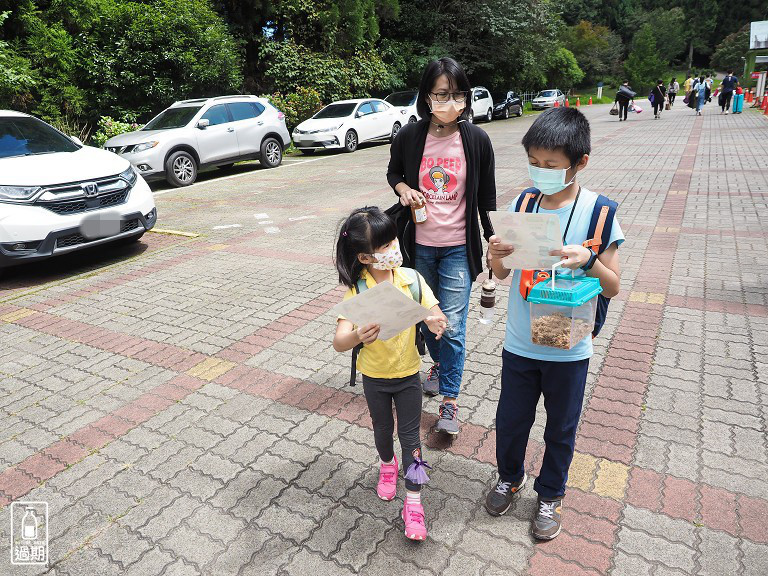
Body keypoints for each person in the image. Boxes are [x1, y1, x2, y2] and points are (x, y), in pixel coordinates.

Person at [484, 107, 624, 540]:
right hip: (521, 342)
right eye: (534, 163)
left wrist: (590, 262)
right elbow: (504, 273)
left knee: (560, 427)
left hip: (569, 346)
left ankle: (551, 494)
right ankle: (509, 477)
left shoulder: (599, 213)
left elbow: (614, 287)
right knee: (510, 420)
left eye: (551, 165)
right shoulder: (523, 204)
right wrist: (495, 256)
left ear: (579, 162)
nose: (540, 172)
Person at [386, 57, 497, 436]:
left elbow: (487, 196)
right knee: (425, 321)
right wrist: (403, 190)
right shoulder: (410, 136)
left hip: (456, 249)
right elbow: (394, 172)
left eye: (457, 94)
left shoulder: (477, 140)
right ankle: (438, 366)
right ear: (426, 96)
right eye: (441, 94)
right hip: (418, 247)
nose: (450, 101)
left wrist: (492, 237)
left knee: (451, 327)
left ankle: (450, 401)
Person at [333, 207, 448, 541]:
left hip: (409, 375)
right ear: (365, 257)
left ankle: (413, 502)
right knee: (383, 432)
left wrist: (434, 321)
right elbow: (339, 341)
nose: (393, 250)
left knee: (411, 441)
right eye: (384, 247)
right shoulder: (357, 292)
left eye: (393, 240)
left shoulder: (412, 280)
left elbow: (433, 311)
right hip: (375, 378)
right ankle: (386, 465)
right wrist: (357, 336)